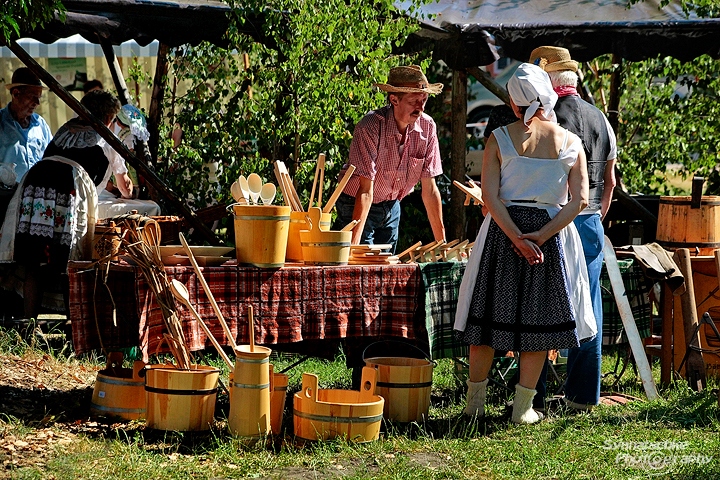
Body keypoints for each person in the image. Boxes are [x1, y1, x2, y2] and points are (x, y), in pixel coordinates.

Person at [454, 63, 597, 424]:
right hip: (549, 236)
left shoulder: (499, 137)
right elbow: (579, 201)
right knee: (539, 326)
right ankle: (522, 410)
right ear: (548, 97)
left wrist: (516, 237)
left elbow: (489, 196)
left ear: (513, 103)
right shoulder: (571, 142)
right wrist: (541, 236)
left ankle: (475, 406)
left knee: (486, 321)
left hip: (503, 233)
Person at [529, 46, 618, 411]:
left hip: (555, 221)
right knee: (589, 307)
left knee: (540, 304)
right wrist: (596, 216)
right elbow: (610, 181)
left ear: (549, 82)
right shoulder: (601, 118)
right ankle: (583, 397)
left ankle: (532, 395)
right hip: (592, 220)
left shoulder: (547, 119)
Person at [0, 90, 126, 318]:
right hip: (65, 193)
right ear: (108, 118)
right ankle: (73, 326)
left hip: (37, 187)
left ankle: (30, 321)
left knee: (34, 260)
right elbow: (124, 186)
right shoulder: (105, 138)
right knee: (70, 263)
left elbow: (59, 159)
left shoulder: (64, 130)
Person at [332, 65, 445, 253]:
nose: (421, 107)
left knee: (387, 270)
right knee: (360, 266)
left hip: (392, 206)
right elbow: (365, 191)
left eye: (424, 99)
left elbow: (430, 190)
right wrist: (352, 249)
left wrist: (442, 245)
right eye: (414, 101)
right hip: (356, 204)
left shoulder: (428, 127)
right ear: (394, 99)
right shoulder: (370, 126)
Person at [0, 67, 52, 184]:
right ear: (16, 94)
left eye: (38, 98)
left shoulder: (40, 124)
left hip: (37, 195)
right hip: (6, 196)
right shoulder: (1, 123)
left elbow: (52, 158)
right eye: (32, 97)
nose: (37, 103)